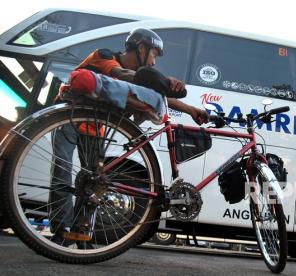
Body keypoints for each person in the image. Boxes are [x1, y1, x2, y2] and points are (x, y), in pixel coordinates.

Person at [48, 28, 208, 246]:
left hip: (96, 130)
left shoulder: (142, 72)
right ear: (141, 48)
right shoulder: (104, 55)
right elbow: (121, 75)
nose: (153, 62)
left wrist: (190, 109)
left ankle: (80, 233)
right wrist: (159, 80)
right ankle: (60, 231)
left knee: (93, 182)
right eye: (153, 55)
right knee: (62, 172)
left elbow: (153, 93)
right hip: (70, 119)